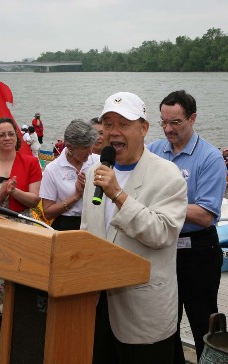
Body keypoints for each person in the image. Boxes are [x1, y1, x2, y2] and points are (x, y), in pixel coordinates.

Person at [81, 91, 187, 364]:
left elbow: (162, 233)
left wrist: (118, 194)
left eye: (124, 124)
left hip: (143, 314)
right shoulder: (96, 172)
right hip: (96, 307)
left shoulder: (168, 175)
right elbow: (87, 231)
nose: (114, 132)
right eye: (108, 124)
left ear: (144, 128)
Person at [148, 90, 227, 362]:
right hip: (162, 248)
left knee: (203, 324)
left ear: (192, 118)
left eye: (176, 123)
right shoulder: (154, 151)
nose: (168, 129)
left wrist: (160, 206)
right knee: (164, 323)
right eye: (163, 122)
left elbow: (205, 214)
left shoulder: (210, 158)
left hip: (198, 251)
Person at [0, 118, 42, 326]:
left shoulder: (30, 162)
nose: (7, 138)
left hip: (22, 225)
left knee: (21, 274)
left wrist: (14, 191)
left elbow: (34, 199)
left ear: (17, 136)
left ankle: (22, 322)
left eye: (11, 133)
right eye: (1, 135)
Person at [39, 119, 98, 230]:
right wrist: (76, 196)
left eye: (91, 146)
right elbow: (47, 212)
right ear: (70, 146)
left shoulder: (97, 161)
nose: (90, 151)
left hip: (95, 222)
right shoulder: (52, 169)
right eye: (86, 147)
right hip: (67, 225)